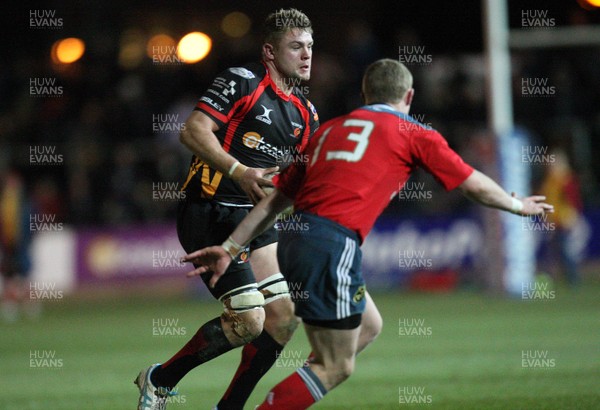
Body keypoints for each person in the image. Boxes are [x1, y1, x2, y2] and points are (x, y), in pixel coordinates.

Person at [182, 59, 554, 409]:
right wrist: (517, 206)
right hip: (332, 244)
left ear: (365, 96)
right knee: (335, 367)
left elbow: (275, 202)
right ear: (408, 97)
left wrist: (231, 247)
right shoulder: (413, 132)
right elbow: (471, 184)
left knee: (369, 325)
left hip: (292, 241)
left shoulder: (327, 130)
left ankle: (286, 383)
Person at [135, 8, 322, 410]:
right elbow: (192, 130)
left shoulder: (307, 115)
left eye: (310, 47)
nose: (306, 55)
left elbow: (292, 185)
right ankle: (160, 380)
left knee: (284, 318)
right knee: (248, 321)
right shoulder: (242, 81)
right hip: (210, 210)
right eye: (296, 46)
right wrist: (238, 170)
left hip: (254, 221)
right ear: (270, 51)